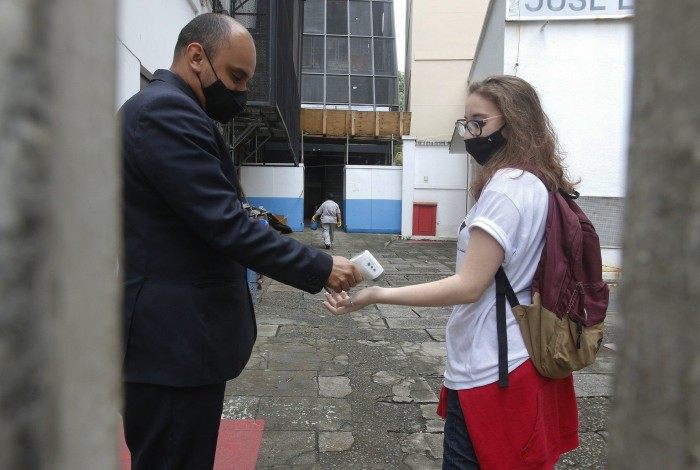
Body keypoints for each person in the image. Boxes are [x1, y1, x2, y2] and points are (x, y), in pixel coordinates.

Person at [119, 14, 362, 469]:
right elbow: (225, 223)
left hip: (177, 347)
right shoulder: (163, 112)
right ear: (196, 56)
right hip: (172, 349)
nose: (241, 93)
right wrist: (321, 266)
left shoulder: (172, 111)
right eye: (235, 77)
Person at [324, 75, 579, 469]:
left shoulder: (507, 188)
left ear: (513, 123)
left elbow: (468, 286)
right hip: (522, 356)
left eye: (478, 122)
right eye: (466, 123)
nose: (470, 133)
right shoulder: (537, 183)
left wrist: (376, 295)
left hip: (492, 369)